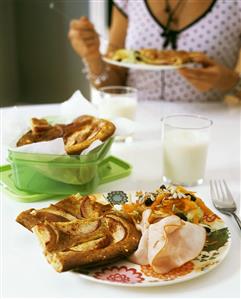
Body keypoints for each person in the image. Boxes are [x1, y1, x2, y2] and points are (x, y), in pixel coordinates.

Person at [68, 0, 241, 103]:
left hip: (208, 128)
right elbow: (114, 86)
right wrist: (93, 57)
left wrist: (231, 82)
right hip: (138, 126)